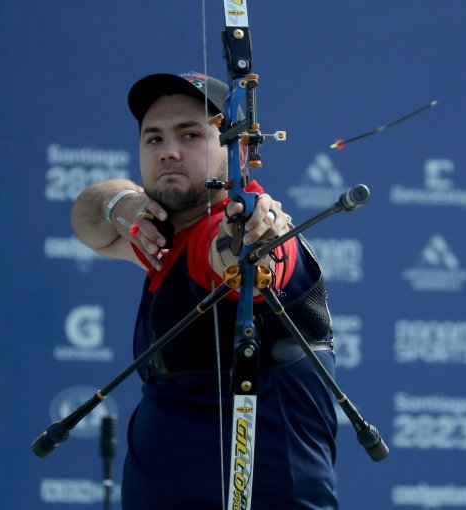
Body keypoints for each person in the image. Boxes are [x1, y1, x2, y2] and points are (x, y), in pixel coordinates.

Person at [71, 72, 338, 509]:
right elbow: (86, 218)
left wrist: (253, 239)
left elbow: (240, 260)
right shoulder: (159, 238)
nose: (169, 151)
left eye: (191, 135)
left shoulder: (227, 233)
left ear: (242, 149)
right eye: (153, 139)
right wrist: (119, 202)